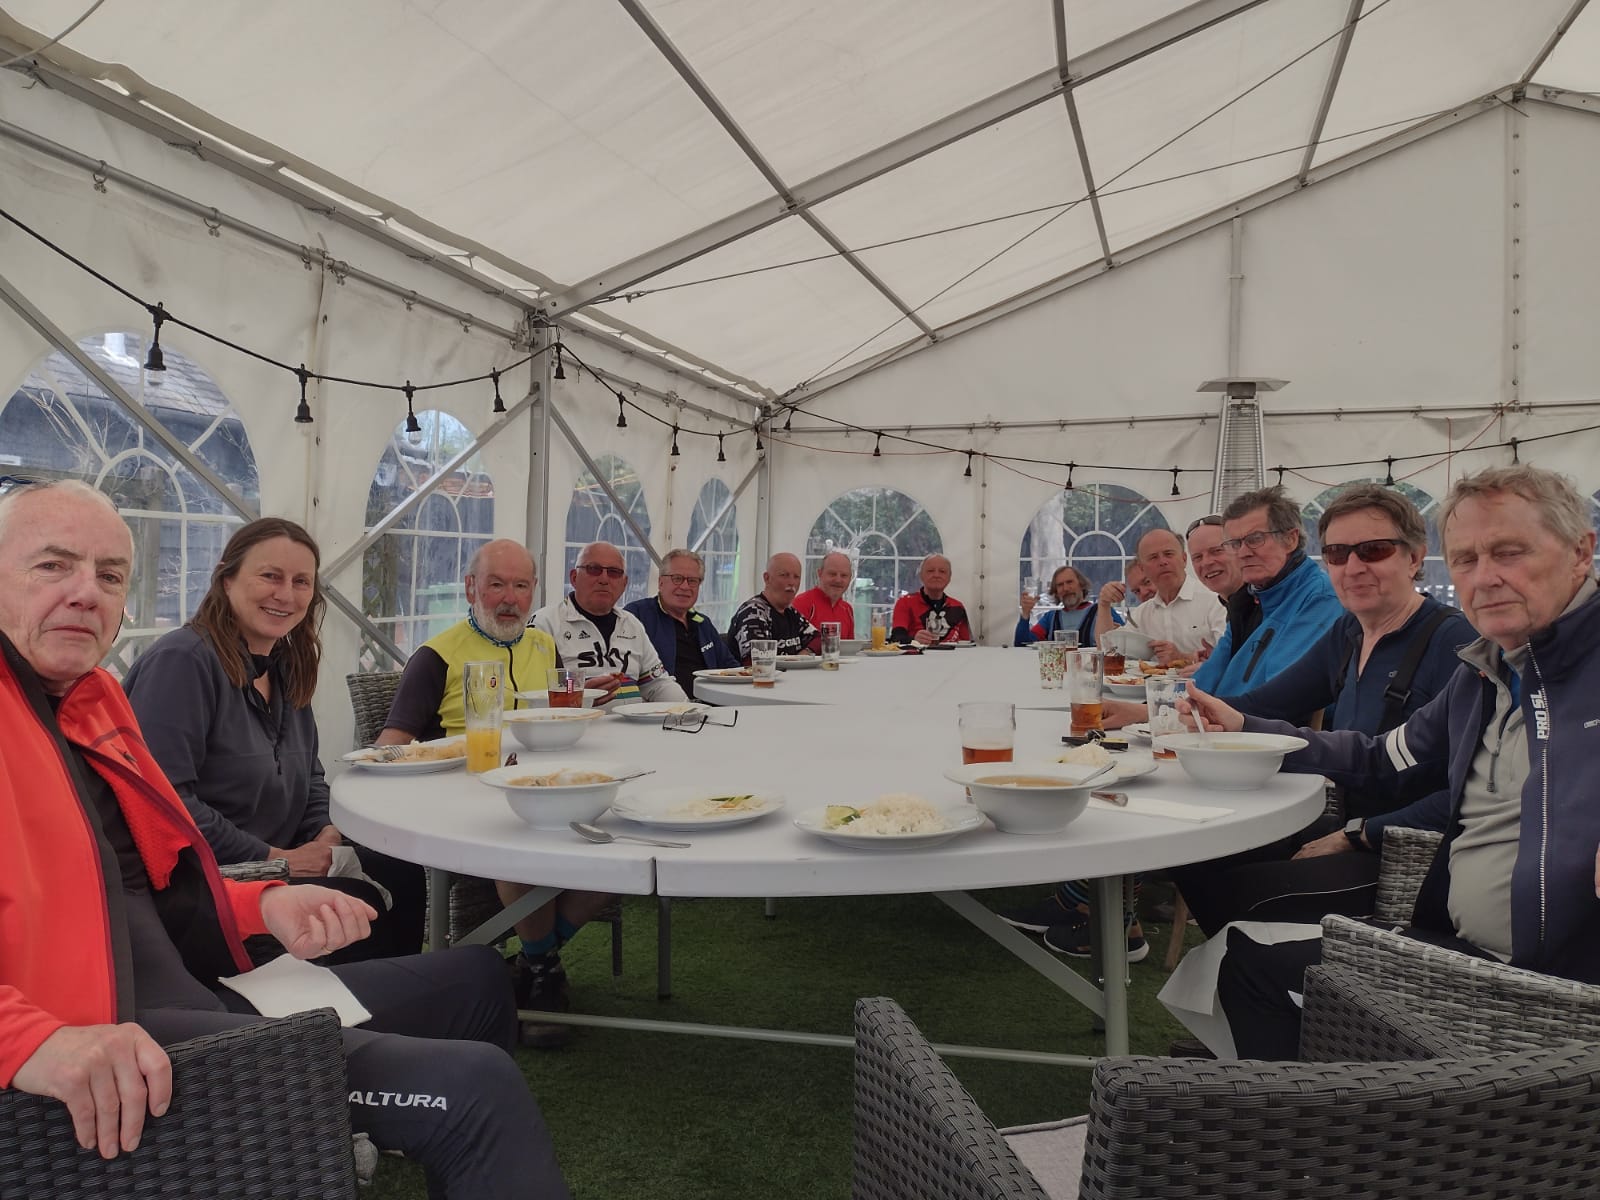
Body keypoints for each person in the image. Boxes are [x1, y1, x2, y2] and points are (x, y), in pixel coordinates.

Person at [0, 480, 570, 1197]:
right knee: (475, 1087)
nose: (86, 592)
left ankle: (342, 1139)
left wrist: (262, 904)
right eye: (52, 565)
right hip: (120, 1046)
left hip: (203, 990)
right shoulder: (169, 668)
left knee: (479, 978)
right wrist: (29, 1040)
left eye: (110, 575)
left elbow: (149, 879)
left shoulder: (93, 701)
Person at [1181, 465, 1600, 1059]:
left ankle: (1318, 1104)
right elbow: (1382, 756)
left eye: (1509, 552)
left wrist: (1358, 833)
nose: (1486, 577)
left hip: (1540, 991)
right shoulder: (1484, 671)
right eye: (1467, 559)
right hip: (1454, 941)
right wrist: (1246, 727)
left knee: (1248, 964)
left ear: (1581, 552)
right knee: (1243, 954)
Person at [1168, 484, 1475, 934]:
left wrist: (1359, 834)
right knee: (1194, 855)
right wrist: (1211, 716)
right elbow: (1265, 704)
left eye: (1373, 550)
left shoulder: (1454, 643)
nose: (1353, 567)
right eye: (1337, 553)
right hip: (1343, 818)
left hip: (1411, 855)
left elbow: (1467, 793)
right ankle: (1258, 960)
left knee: (1237, 894)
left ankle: (1274, 964)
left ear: (1414, 557)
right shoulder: (1349, 632)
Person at [125, 518, 425, 962]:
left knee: (401, 871)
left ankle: (387, 993)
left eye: (301, 581)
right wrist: (277, 858)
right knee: (359, 907)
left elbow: (310, 776)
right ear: (226, 579)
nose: (286, 594)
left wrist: (325, 834)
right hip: (213, 885)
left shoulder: (286, 664)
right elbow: (165, 803)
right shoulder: (182, 662)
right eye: (270, 576)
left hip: (284, 861)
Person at [379, 538, 558, 742]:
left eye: (521, 586)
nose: (510, 599)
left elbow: (566, 717)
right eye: (497, 585)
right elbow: (388, 746)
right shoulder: (436, 656)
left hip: (541, 761)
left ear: (534, 588)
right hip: (463, 761)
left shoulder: (546, 646)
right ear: (470, 588)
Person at [1190, 486, 1344, 695]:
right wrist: (1170, 704)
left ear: (1291, 539)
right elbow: (1204, 681)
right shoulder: (1250, 600)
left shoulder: (1319, 598)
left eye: (1255, 539)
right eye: (1234, 543)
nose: (1243, 553)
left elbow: (1281, 696)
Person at [533, 541, 687, 705]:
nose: (604, 579)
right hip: (576, 720)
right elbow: (533, 690)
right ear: (574, 578)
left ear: (624, 583)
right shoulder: (546, 623)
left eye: (614, 572)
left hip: (632, 720)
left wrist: (689, 710)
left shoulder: (631, 624)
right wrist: (577, 693)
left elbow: (657, 683)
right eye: (594, 569)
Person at [1092, 528, 1225, 663]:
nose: (1162, 561)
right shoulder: (1143, 614)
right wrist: (1104, 604)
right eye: (1153, 557)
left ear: (1184, 559)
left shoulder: (1215, 600)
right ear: (1142, 568)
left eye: (1168, 554)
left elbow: (1231, 657)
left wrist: (1183, 658)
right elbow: (1108, 651)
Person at [624, 548, 739, 698]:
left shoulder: (703, 623)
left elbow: (731, 668)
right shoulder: (637, 616)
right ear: (660, 582)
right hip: (661, 707)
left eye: (692, 581)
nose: (685, 587)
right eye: (677, 578)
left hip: (713, 704)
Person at [726, 552, 819, 661]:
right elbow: (756, 661)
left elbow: (819, 639)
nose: (791, 582)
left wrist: (804, 654)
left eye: (796, 577)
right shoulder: (753, 612)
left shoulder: (790, 612)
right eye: (784, 575)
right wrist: (796, 662)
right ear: (767, 578)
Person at [891, 554, 972, 645]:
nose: (936, 575)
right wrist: (914, 640)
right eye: (930, 571)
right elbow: (896, 638)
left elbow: (966, 643)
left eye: (942, 571)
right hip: (917, 653)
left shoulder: (958, 607)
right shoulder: (905, 603)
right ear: (921, 576)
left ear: (949, 578)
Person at [1014, 565, 1097, 646]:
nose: (1065, 588)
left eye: (1069, 582)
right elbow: (1023, 644)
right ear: (1056, 592)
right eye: (1060, 585)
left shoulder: (1099, 613)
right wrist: (1025, 614)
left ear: (1081, 585)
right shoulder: (1051, 618)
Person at [793, 551, 856, 640]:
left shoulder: (847, 610)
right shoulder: (802, 603)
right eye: (832, 574)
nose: (838, 580)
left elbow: (849, 648)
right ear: (820, 573)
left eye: (844, 575)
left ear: (850, 578)